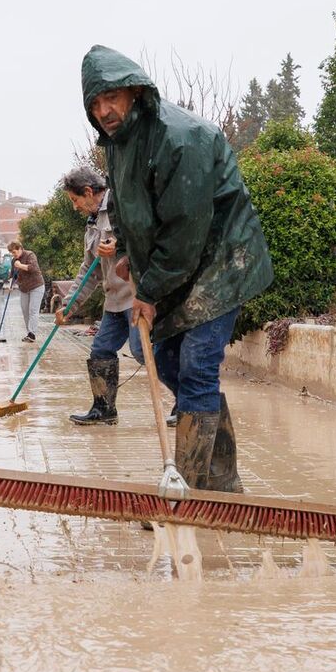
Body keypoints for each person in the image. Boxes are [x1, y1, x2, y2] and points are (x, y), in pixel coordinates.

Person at [82, 46, 273, 490]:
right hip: (179, 264)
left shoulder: (179, 137)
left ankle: (186, 488)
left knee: (197, 365)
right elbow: (131, 210)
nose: (104, 109)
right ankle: (222, 477)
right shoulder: (118, 145)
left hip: (222, 260)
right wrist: (130, 251)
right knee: (157, 353)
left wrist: (147, 291)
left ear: (134, 91)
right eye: (95, 102)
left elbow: (185, 229)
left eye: (111, 96)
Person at [54, 165, 143, 424]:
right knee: (101, 350)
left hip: (137, 295)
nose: (75, 207)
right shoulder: (92, 223)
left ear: (89, 192)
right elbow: (89, 271)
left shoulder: (121, 205)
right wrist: (69, 305)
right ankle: (104, 409)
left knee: (142, 351)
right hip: (114, 300)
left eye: (75, 200)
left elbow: (146, 238)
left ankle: (186, 402)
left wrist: (120, 245)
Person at [7, 238, 44, 341]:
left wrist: (20, 265)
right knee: (25, 310)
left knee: (33, 310)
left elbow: (34, 268)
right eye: (11, 253)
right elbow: (13, 275)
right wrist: (11, 284)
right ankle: (29, 333)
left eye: (14, 252)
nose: (13, 254)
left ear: (19, 249)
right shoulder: (14, 260)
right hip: (24, 288)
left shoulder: (30, 255)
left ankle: (32, 334)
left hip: (36, 286)